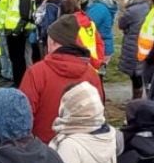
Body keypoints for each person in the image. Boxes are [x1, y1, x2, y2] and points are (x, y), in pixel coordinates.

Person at [19, 15, 104, 144]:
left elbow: (23, 116)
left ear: (52, 41)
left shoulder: (36, 73)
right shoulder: (91, 74)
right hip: (81, 147)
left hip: (43, 149)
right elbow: (99, 111)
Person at [118, 0, 150, 100]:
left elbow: (121, 24)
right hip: (143, 44)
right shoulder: (146, 6)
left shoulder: (131, 11)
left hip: (133, 45)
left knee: (135, 75)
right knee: (140, 73)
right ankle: (140, 98)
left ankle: (136, 100)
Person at [3, 0, 34, 86]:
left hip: (17, 33)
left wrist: (17, 31)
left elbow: (24, 15)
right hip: (11, 32)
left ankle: (20, 83)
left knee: (18, 60)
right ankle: (17, 81)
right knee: (14, 59)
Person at [85, 0, 117, 66]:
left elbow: (88, 23)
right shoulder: (101, 3)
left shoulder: (99, 7)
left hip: (100, 48)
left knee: (96, 76)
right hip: (104, 46)